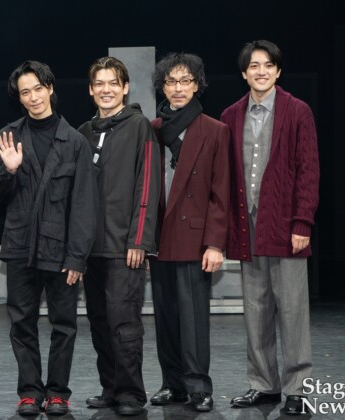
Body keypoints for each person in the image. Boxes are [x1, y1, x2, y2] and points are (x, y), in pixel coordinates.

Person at [0, 60, 96, 416]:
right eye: (24, 92)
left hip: (61, 250)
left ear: (50, 88)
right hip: (20, 247)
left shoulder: (75, 141)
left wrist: (77, 257)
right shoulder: (8, 137)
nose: (33, 97)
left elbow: (84, 204)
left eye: (38, 89)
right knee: (22, 323)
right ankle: (30, 392)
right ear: (19, 98)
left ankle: (58, 392)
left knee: (64, 325)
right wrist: (9, 170)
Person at [221, 40, 319, 416]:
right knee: (255, 309)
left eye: (268, 65)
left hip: (286, 225)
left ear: (278, 71)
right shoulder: (231, 115)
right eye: (253, 66)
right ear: (244, 73)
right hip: (247, 225)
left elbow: (308, 170)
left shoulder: (297, 111)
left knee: (292, 310)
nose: (261, 71)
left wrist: (302, 221)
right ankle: (263, 385)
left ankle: (298, 389)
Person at [77, 57, 160, 416]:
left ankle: (131, 394)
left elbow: (148, 186)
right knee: (99, 321)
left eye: (113, 83)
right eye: (100, 83)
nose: (106, 89)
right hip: (90, 249)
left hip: (125, 247)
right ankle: (110, 388)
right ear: (91, 89)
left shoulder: (140, 126)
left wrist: (139, 240)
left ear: (125, 88)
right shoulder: (83, 132)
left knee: (124, 323)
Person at [148, 52, 230, 412]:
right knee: (165, 316)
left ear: (197, 85)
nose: (178, 88)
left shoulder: (214, 130)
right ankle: (173, 383)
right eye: (171, 82)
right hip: (159, 236)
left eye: (185, 81)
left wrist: (214, 243)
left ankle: (198, 386)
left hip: (195, 238)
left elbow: (220, 192)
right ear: (162, 87)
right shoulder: (152, 129)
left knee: (193, 317)